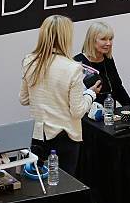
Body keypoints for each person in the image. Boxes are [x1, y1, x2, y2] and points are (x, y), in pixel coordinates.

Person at [20, 15, 102, 174]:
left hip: (38, 135)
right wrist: (90, 94)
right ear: (66, 36)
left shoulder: (29, 61)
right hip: (65, 138)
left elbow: (23, 99)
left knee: (40, 187)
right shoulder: (72, 68)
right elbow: (77, 111)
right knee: (64, 190)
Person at [74, 22, 130, 106]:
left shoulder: (108, 59)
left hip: (110, 113)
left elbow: (118, 88)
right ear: (92, 40)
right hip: (87, 114)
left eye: (110, 39)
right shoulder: (78, 62)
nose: (108, 43)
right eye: (103, 39)